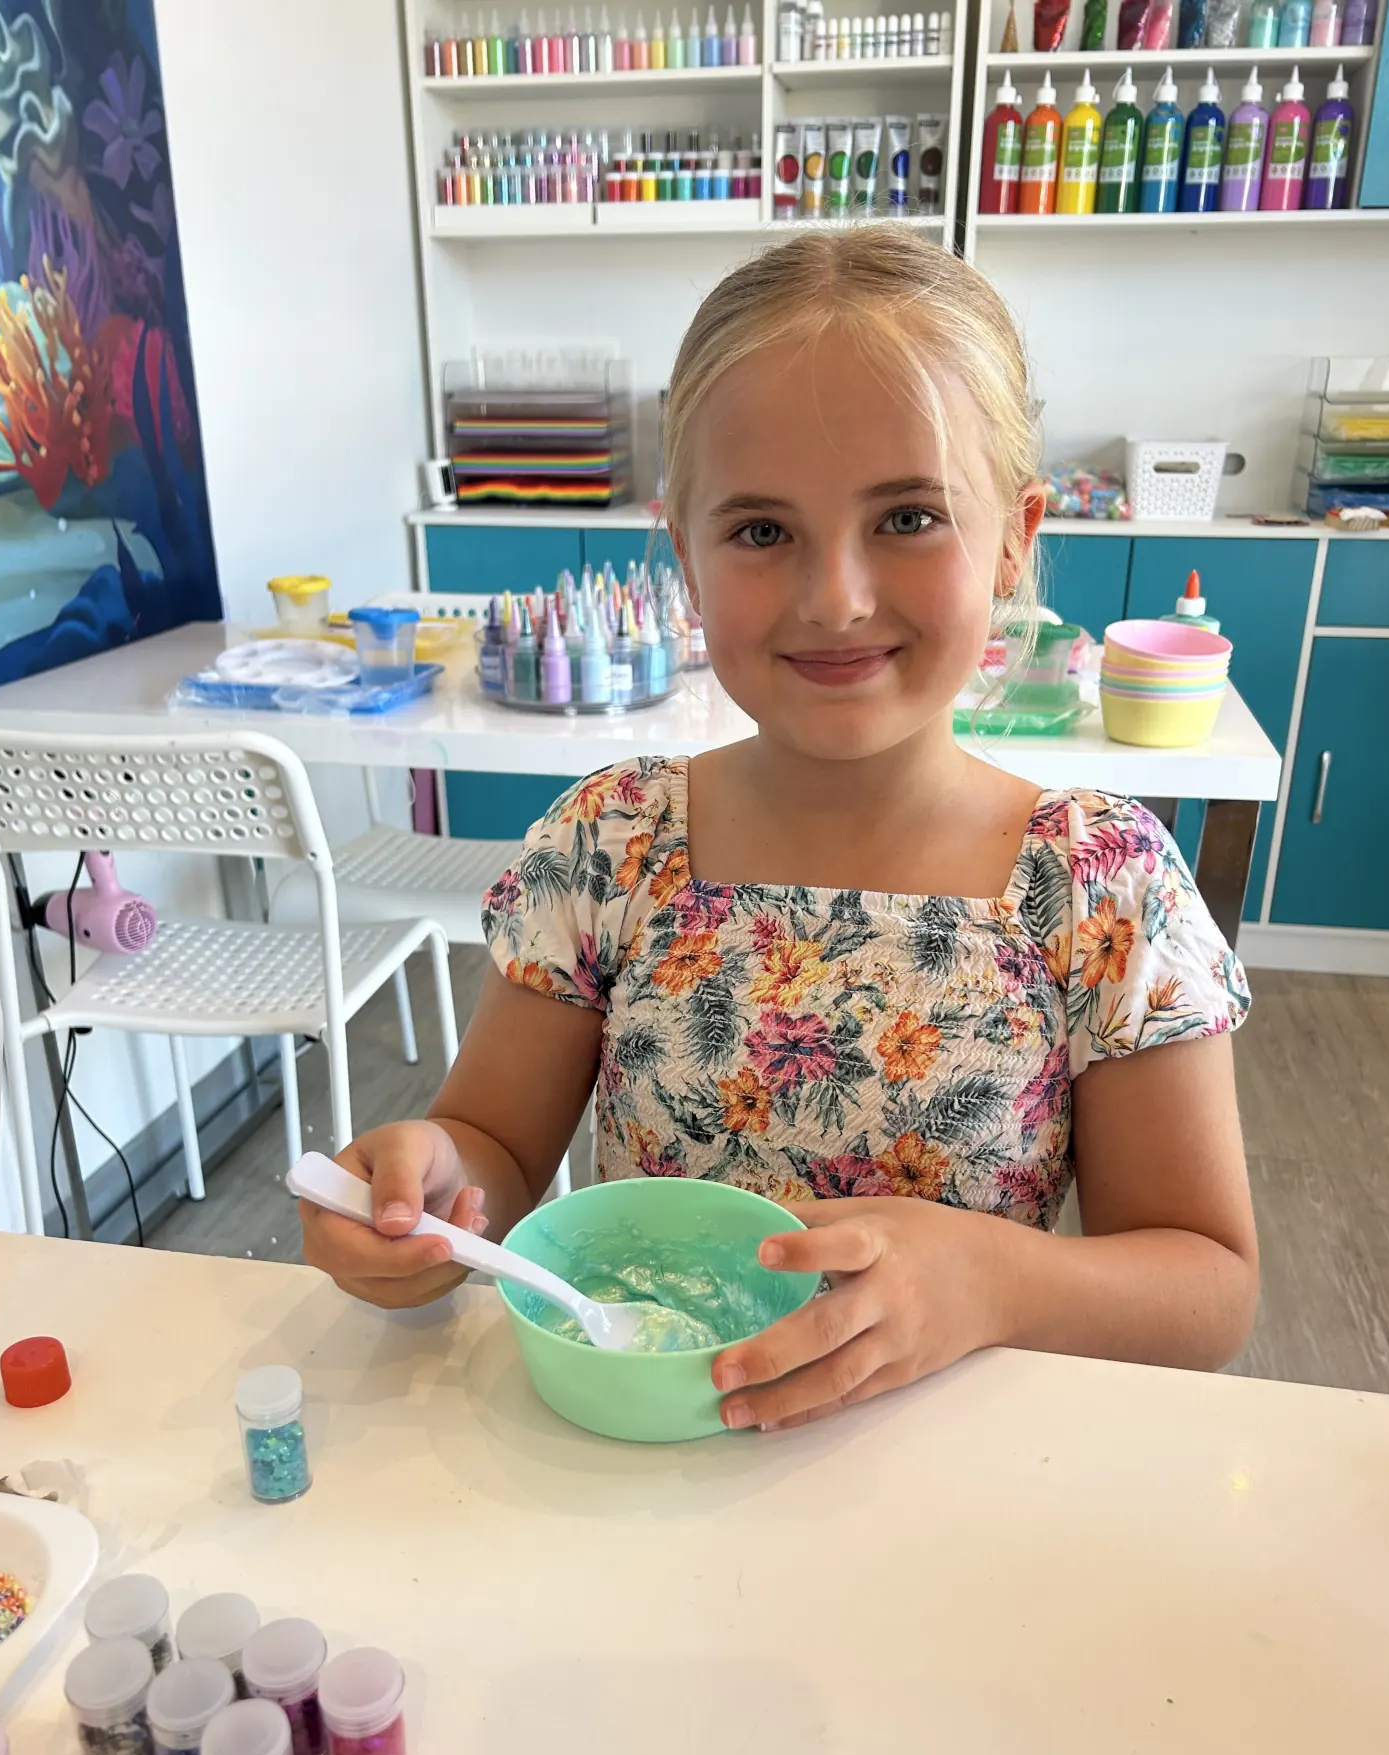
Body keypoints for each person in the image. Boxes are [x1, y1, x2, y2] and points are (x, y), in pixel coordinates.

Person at [300, 227, 1258, 1430]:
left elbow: (1206, 1290)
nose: (836, 598)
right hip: (640, 1467)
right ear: (687, 559)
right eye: (761, 531)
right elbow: (490, 1141)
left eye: (908, 517)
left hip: (947, 1484)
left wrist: (995, 1279)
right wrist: (430, 1189)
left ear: (1015, 537)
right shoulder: (612, 847)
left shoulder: (1101, 886)